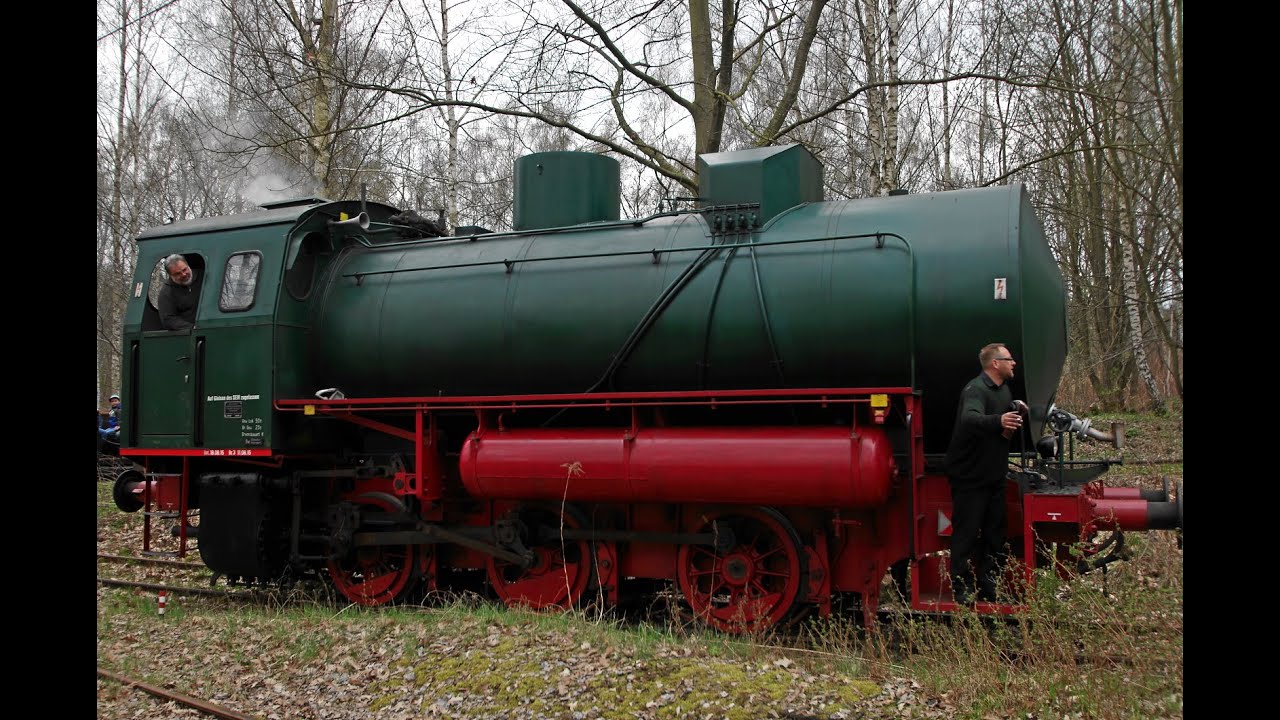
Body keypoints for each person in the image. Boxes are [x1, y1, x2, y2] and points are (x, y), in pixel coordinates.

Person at [943, 343, 1024, 605]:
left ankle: (991, 586)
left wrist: (1013, 412)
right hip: (971, 477)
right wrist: (998, 421)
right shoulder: (975, 389)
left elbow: (1001, 424)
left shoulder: (1003, 390)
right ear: (994, 364)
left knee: (996, 534)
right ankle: (961, 589)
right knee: (966, 534)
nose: (1013, 363)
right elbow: (969, 419)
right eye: (1008, 359)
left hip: (994, 475)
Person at [158, 253, 203, 330]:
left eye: (184, 269)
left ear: (187, 265)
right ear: (170, 275)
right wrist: (193, 328)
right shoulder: (167, 292)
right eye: (177, 274)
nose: (184, 274)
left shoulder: (203, 276)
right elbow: (168, 320)